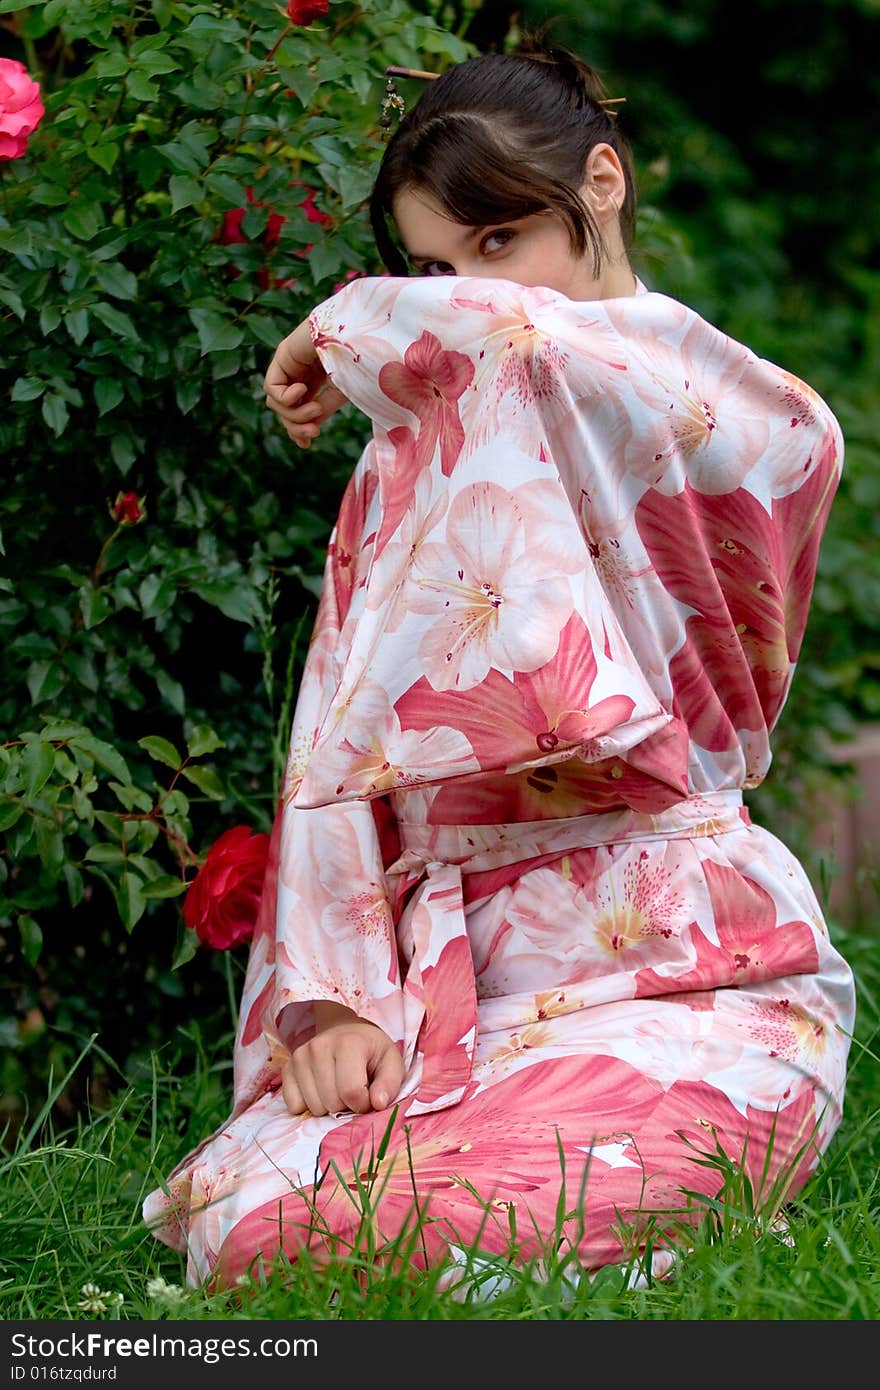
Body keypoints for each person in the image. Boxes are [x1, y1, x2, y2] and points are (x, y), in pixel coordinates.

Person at [143, 38, 856, 1296]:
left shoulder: (745, 417)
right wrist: (338, 1003)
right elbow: (333, 745)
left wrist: (345, 321)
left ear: (601, 183)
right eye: (430, 266)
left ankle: (628, 1238)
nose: (464, 292)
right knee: (246, 1227)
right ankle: (589, 1261)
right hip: (466, 987)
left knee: (577, 1177)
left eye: (496, 240)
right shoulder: (411, 454)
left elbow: (533, 348)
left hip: (695, 971)